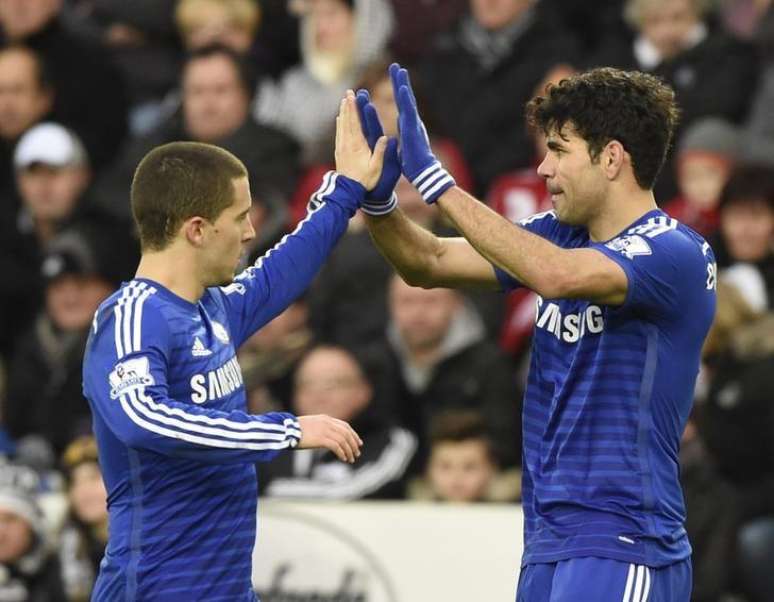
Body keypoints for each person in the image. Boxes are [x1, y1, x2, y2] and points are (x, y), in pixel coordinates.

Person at [344, 63, 717, 600]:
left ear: (611, 157)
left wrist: (440, 186)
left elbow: (557, 277)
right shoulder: (558, 235)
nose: (543, 169)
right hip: (547, 536)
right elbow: (426, 262)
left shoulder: (674, 250)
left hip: (623, 538)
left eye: (560, 150)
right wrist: (379, 203)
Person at [81, 113, 386, 598]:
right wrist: (285, 429)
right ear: (197, 230)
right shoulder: (132, 317)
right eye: (240, 217)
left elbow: (279, 273)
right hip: (155, 590)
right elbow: (142, 417)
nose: (249, 233)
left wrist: (346, 190)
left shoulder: (211, 307)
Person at [259, 345, 416, 499]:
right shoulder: (273, 440)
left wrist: (271, 489)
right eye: (307, 384)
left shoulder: (392, 439)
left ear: (364, 391)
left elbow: (353, 491)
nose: (319, 395)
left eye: (333, 384)